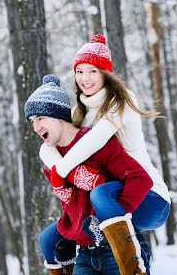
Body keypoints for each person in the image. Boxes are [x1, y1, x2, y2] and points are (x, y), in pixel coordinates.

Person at [39, 34, 171, 275]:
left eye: (92, 71)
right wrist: (64, 173)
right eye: (79, 71)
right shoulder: (79, 112)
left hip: (147, 196)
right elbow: (47, 144)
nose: (84, 78)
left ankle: (134, 270)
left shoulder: (121, 100)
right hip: (108, 204)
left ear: (105, 73)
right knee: (50, 239)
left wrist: (65, 170)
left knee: (99, 194)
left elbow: (96, 139)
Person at [24, 75, 153, 275]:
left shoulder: (96, 143)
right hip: (84, 254)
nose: (36, 127)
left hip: (117, 250)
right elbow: (73, 208)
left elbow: (141, 179)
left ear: (59, 116)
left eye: (41, 118)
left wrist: (109, 222)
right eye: (32, 121)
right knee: (46, 239)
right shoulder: (51, 163)